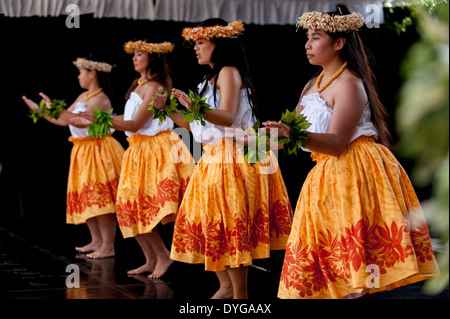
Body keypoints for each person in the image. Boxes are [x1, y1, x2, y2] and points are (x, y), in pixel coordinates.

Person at [263, 7, 440, 299]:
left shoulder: (350, 84)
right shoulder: (312, 85)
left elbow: (335, 142)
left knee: (355, 267)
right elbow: (290, 138)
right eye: (307, 37)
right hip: (325, 177)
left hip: (357, 172)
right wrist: (250, 140)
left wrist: (291, 134)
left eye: (316, 37)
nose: (307, 44)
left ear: (338, 43)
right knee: (332, 266)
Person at [153, 18, 293, 299]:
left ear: (219, 43)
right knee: (212, 223)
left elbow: (227, 117)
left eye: (201, 42)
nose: (195, 48)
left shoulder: (228, 72)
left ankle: (240, 295)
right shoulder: (208, 80)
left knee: (230, 224)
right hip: (213, 157)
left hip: (234, 156)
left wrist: (195, 108)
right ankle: (226, 286)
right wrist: (167, 110)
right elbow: (196, 126)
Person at [73, 40, 195, 279]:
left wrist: (100, 119)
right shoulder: (138, 85)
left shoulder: (156, 87)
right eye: (134, 54)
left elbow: (137, 123)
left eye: (139, 54)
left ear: (153, 58)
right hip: (137, 150)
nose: (134, 58)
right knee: (128, 209)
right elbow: (128, 120)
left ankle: (164, 256)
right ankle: (151, 258)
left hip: (155, 150)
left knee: (144, 206)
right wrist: (101, 118)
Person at [22, 56, 125, 259]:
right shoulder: (83, 96)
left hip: (98, 151)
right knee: (86, 195)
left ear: (92, 73)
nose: (78, 77)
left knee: (101, 198)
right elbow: (64, 121)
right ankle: (96, 240)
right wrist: (41, 111)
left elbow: (79, 122)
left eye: (81, 72)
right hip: (82, 152)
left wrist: (55, 109)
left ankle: (108, 245)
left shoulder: (100, 99)